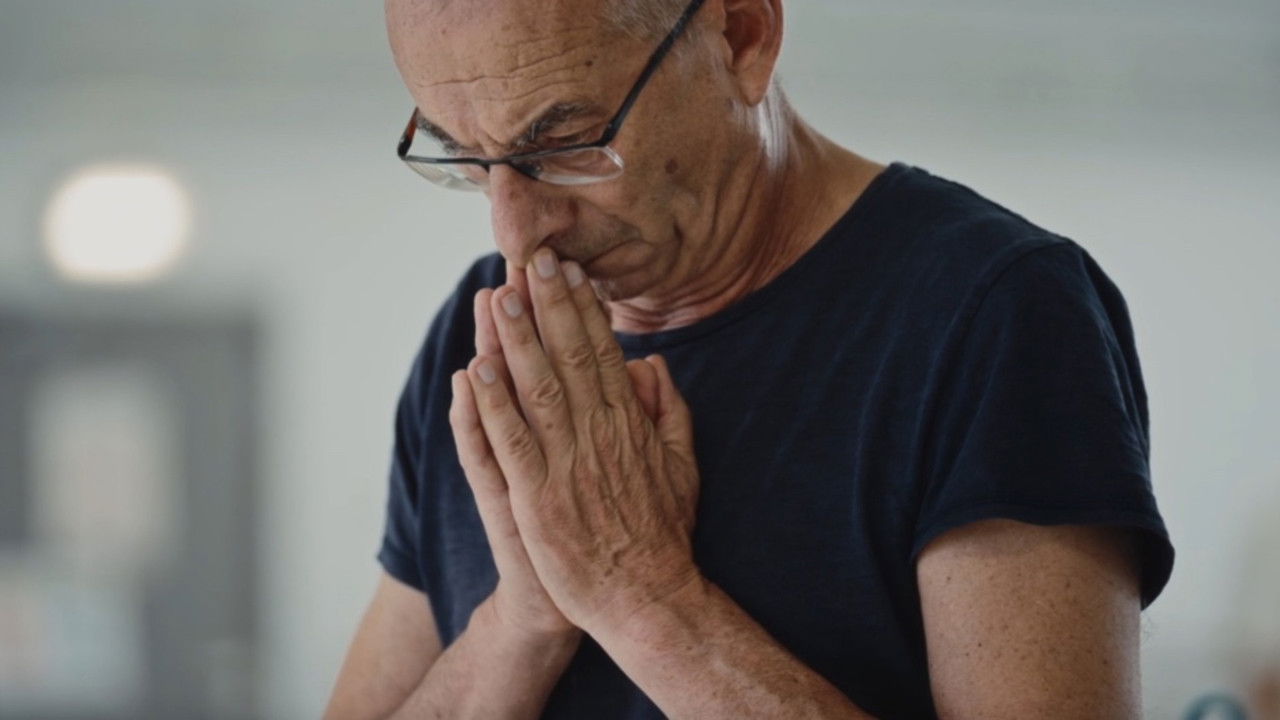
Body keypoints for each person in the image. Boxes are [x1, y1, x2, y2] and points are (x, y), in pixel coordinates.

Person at [325, 0, 1175, 717]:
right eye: (469, 162)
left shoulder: (992, 312)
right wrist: (523, 618)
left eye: (568, 144)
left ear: (742, 37)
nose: (514, 234)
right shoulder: (485, 336)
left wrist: (642, 597)